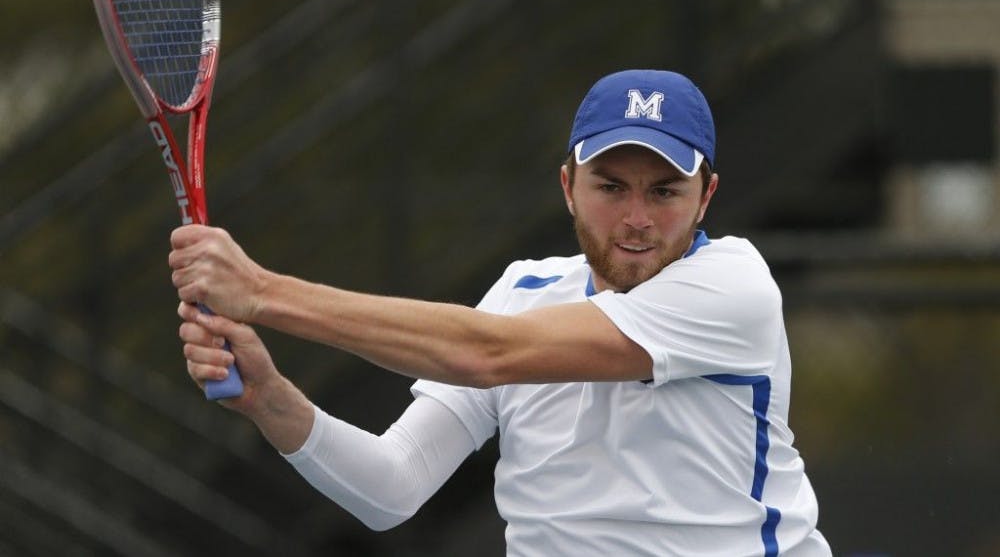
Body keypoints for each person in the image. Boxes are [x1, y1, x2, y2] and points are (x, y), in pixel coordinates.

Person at [169, 69, 831, 556]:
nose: (636, 218)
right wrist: (268, 397)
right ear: (569, 186)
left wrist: (259, 290)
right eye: (610, 186)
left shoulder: (734, 284)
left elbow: (489, 353)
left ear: (706, 196)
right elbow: (391, 487)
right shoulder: (524, 291)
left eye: (664, 190)